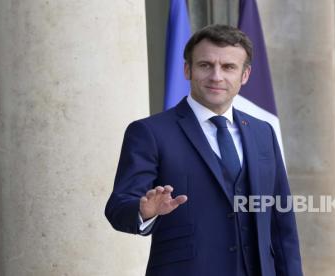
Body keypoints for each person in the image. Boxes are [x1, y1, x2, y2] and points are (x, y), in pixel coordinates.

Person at [105, 24, 303, 276]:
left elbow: (281, 220)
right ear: (188, 69)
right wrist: (144, 211)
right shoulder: (149, 132)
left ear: (245, 75)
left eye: (229, 67)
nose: (216, 76)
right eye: (205, 65)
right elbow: (118, 206)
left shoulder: (262, 132)